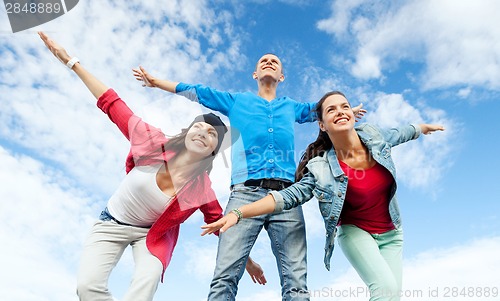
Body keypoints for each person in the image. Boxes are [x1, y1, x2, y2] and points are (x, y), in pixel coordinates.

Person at [37, 32, 266, 301]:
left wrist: (248, 262)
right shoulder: (151, 141)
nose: (204, 133)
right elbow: (112, 103)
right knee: (87, 287)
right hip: (111, 224)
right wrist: (71, 61)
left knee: (145, 282)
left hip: (152, 237)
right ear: (187, 133)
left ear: (213, 150)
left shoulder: (201, 190)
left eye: (212, 134)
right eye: (199, 127)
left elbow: (220, 226)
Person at [133, 56, 365, 301]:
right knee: (225, 276)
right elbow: (198, 92)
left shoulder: (291, 106)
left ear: (282, 77)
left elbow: (324, 109)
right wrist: (157, 82)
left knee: (296, 282)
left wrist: (346, 112)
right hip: (244, 195)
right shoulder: (236, 101)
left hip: (286, 198)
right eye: (263, 60)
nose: (269, 61)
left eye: (275, 61)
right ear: (255, 74)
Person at [201, 91, 445, 301]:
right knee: (385, 289)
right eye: (331, 110)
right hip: (356, 231)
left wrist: (422, 128)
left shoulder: (373, 136)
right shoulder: (319, 167)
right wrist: (238, 212)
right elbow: (287, 197)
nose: (340, 111)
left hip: (393, 233)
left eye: (344, 107)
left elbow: (400, 133)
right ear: (322, 124)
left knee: (392, 295)